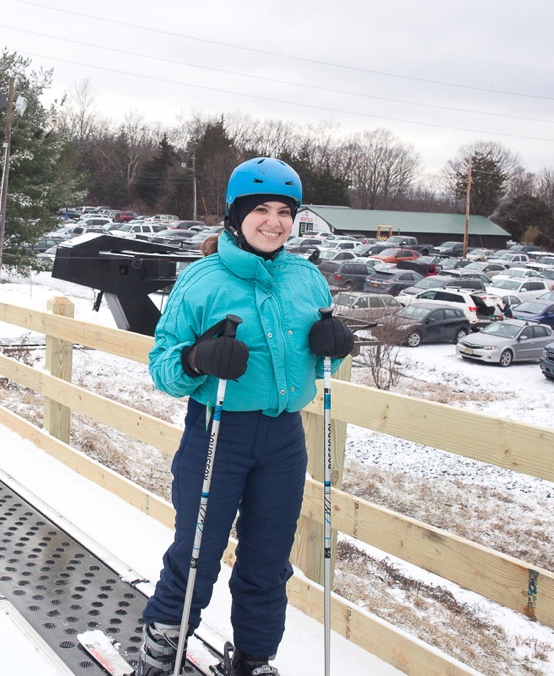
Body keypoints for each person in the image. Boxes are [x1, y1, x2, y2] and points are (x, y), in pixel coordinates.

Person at [138, 158, 354, 676]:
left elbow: (323, 355)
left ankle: (254, 659)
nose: (275, 222)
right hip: (218, 432)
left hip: (283, 437)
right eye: (261, 209)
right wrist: (196, 358)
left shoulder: (306, 279)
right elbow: (162, 367)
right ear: (236, 216)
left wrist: (336, 347)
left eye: (286, 211)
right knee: (198, 553)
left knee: (268, 561)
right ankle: (162, 649)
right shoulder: (202, 281)